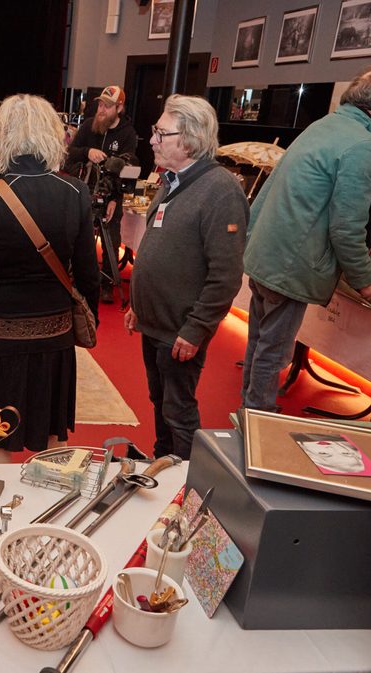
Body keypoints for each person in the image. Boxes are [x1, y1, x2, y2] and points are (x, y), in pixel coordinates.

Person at [241, 65, 371, 413]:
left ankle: (248, 413)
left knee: (259, 344)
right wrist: (365, 281)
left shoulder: (324, 125)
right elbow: (346, 226)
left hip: (266, 254)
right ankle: (257, 422)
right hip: (291, 265)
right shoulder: (360, 145)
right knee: (273, 353)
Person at [0, 94, 99, 459]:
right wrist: (86, 318)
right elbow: (88, 274)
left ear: (2, 137)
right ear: (52, 135)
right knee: (51, 437)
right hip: (55, 336)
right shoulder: (75, 193)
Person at [123, 94, 247, 461]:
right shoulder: (172, 181)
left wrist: (196, 329)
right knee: (160, 402)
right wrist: (139, 307)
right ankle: (163, 464)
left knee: (178, 411)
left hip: (180, 331)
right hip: (156, 324)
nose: (152, 140)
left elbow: (226, 276)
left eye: (162, 133)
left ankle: (188, 479)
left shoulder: (221, 190)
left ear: (190, 139)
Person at [63, 86, 138, 304]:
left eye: (107, 106)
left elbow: (128, 171)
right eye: (100, 104)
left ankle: (107, 284)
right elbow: (69, 153)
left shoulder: (127, 134)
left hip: (111, 195)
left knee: (110, 240)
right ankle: (75, 276)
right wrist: (87, 152)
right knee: (77, 235)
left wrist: (115, 199)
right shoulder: (89, 126)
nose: (101, 109)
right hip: (83, 190)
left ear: (119, 108)